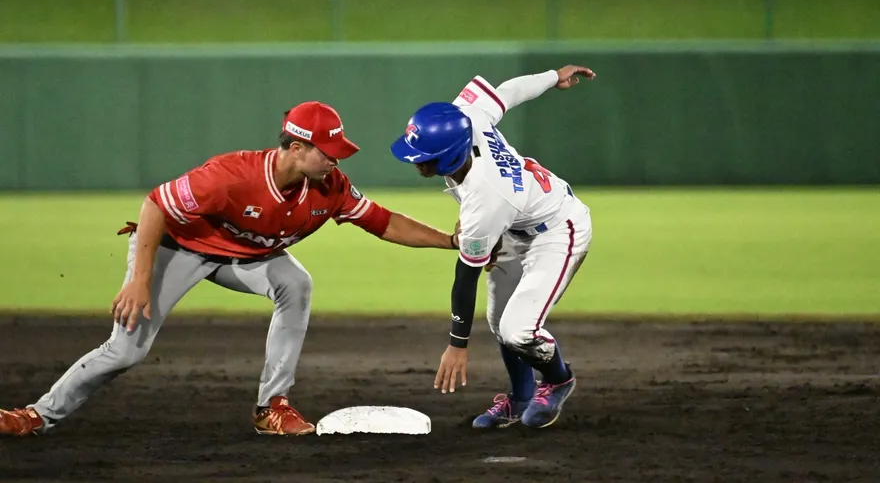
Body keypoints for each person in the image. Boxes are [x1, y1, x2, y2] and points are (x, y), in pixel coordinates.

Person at [0, 101, 458, 437]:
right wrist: (140, 279)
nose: (335, 160)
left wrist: (450, 241)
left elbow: (383, 221)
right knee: (126, 351)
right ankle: (35, 415)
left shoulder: (330, 185)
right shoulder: (231, 176)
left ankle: (271, 406)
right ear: (296, 148)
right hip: (178, 249)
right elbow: (156, 205)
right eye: (327, 151)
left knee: (295, 283)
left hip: (245, 258)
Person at [389, 65, 596, 429]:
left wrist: (457, 344)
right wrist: (552, 77)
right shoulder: (465, 117)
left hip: (557, 231)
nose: (415, 161)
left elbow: (465, 275)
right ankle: (519, 398)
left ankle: (558, 379)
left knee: (520, 331)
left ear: (449, 157)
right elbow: (508, 92)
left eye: (423, 156)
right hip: (514, 222)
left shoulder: (487, 197)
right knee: (500, 323)